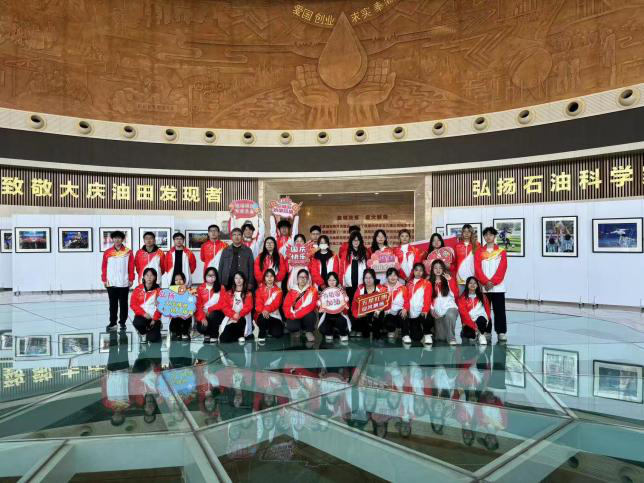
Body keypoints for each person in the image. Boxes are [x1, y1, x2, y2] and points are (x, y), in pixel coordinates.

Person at [474, 227, 508, 342]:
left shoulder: (501, 251)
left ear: (494, 236)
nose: (488, 237)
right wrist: (485, 282)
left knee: (500, 311)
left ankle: (501, 332)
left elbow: (502, 268)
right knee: (484, 311)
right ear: (484, 236)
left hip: (498, 287)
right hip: (484, 288)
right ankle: (486, 331)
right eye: (486, 235)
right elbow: (477, 269)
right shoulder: (479, 252)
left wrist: (492, 282)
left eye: (491, 235)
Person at [102, 230, 135, 331]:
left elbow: (131, 267)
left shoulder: (128, 252)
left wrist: (131, 279)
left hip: (124, 282)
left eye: (119, 238)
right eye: (115, 238)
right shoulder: (107, 252)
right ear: (112, 239)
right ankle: (113, 323)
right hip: (111, 282)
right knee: (113, 304)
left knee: (123, 304)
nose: (117, 240)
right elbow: (104, 267)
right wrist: (104, 279)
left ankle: (122, 322)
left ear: (122, 239)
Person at [428, 260, 459, 345]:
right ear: (432, 269)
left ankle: (452, 339)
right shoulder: (429, 282)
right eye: (436, 268)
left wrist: (450, 281)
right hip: (438, 311)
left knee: (450, 315)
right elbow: (428, 298)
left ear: (443, 269)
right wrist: (432, 309)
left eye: (440, 268)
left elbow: (456, 295)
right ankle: (438, 330)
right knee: (441, 338)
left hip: (450, 308)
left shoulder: (448, 279)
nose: (438, 270)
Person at [283, 269, 318, 342]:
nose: (302, 279)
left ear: (307, 279)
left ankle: (308, 331)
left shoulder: (313, 290)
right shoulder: (291, 291)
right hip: (295, 315)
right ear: (297, 278)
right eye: (300, 277)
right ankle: (297, 330)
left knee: (311, 315)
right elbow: (286, 306)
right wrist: (292, 315)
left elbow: (311, 306)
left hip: (305, 316)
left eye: (305, 277)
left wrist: (297, 314)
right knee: (292, 326)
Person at [351, 269, 386, 339]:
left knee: (379, 314)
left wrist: (377, 311)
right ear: (363, 279)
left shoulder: (381, 288)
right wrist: (357, 315)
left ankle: (376, 333)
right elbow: (354, 305)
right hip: (363, 315)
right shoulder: (360, 289)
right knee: (365, 335)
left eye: (370, 278)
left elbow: (384, 303)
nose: (368, 280)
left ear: (374, 278)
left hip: (376, 314)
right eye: (366, 278)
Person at [195, 267, 227, 344]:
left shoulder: (221, 288)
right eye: (209, 275)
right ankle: (207, 334)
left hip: (218, 313)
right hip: (203, 313)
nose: (211, 277)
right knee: (202, 327)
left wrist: (209, 310)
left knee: (213, 315)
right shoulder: (200, 288)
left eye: (213, 275)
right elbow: (198, 305)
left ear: (216, 277)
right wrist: (202, 317)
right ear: (205, 276)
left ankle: (214, 335)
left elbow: (222, 303)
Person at [220, 271, 254, 343]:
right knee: (223, 339)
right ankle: (238, 335)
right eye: (236, 278)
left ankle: (240, 334)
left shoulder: (248, 293)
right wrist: (233, 314)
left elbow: (248, 306)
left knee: (240, 322)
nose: (238, 280)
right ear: (234, 280)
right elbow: (224, 307)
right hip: (231, 317)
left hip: (243, 318)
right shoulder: (228, 293)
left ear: (244, 280)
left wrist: (239, 314)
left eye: (240, 278)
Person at [130, 267, 162, 343]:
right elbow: (133, 304)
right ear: (144, 277)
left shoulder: (159, 291)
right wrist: (143, 313)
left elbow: (161, 307)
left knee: (153, 339)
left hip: (154, 318)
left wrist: (154, 319)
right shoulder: (138, 289)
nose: (149, 277)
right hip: (142, 316)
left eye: (151, 275)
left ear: (155, 277)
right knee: (137, 323)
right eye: (147, 275)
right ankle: (143, 333)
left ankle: (156, 327)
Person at [404, 263, 432, 345]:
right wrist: (406, 309)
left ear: (423, 272)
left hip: (422, 312)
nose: (418, 272)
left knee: (427, 317)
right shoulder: (408, 284)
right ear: (413, 271)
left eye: (421, 270)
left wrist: (425, 310)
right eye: (416, 270)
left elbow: (427, 299)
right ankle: (419, 332)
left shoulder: (427, 283)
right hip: (411, 314)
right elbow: (406, 299)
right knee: (416, 337)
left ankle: (427, 334)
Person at [317, 272, 350, 342]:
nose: (332, 282)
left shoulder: (341, 291)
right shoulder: (324, 292)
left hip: (339, 316)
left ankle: (342, 333)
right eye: (329, 280)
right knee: (323, 329)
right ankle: (330, 332)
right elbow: (319, 309)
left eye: (334, 280)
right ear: (327, 281)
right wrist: (320, 303)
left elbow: (346, 309)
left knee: (342, 322)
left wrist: (344, 302)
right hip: (327, 317)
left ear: (337, 281)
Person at [457, 276, 491, 345]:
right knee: (469, 335)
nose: (473, 285)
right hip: (469, 321)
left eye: (475, 283)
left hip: (480, 319)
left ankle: (481, 335)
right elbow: (464, 315)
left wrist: (487, 321)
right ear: (467, 285)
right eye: (470, 283)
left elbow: (487, 310)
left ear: (477, 285)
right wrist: (474, 326)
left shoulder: (483, 296)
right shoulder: (462, 298)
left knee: (482, 320)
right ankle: (477, 333)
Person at [255, 269, 284, 342]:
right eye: (267, 276)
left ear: (274, 278)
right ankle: (261, 335)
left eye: (271, 276)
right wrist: (264, 311)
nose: (269, 278)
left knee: (277, 334)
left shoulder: (279, 290)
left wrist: (267, 310)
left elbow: (276, 303)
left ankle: (269, 329)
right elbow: (258, 303)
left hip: (275, 316)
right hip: (262, 315)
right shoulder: (259, 290)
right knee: (263, 319)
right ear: (264, 278)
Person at [340, 231, 368, 304]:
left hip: (361, 285)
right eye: (354, 240)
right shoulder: (345, 254)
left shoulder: (364, 253)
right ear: (351, 241)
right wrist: (342, 283)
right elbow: (341, 269)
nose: (356, 242)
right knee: (349, 304)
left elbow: (367, 268)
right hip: (348, 285)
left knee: (360, 304)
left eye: (358, 240)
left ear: (360, 241)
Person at [382, 268, 408, 340]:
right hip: (388, 313)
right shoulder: (382, 288)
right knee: (387, 319)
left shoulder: (403, 288)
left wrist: (405, 309)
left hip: (399, 312)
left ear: (398, 277)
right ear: (387, 277)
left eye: (395, 275)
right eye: (390, 275)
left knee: (404, 315)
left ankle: (405, 335)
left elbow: (407, 302)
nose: (393, 277)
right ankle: (391, 330)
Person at [453, 224, 479, 293]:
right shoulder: (457, 246)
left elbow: (480, 263)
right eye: (464, 231)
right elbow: (454, 263)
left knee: (473, 298)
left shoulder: (477, 245)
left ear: (471, 233)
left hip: (473, 279)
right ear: (462, 233)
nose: (466, 233)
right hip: (460, 278)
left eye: (469, 231)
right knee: (460, 298)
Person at [168, 273, 193, 341]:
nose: (178, 281)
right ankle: (176, 333)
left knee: (187, 316)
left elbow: (191, 303)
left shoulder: (189, 290)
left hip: (185, 313)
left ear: (184, 280)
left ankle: (185, 333)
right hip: (175, 314)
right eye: (176, 280)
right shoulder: (171, 291)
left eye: (180, 279)